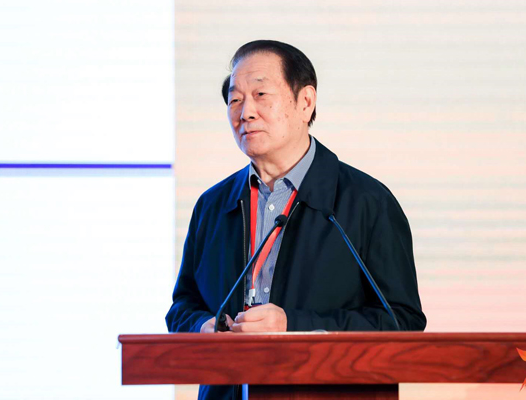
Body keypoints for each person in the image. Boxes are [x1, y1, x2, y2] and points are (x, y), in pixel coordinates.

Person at [166, 40, 426, 400]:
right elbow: (182, 307)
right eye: (235, 99)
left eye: (261, 94)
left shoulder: (366, 202)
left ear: (305, 102)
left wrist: (294, 326)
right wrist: (202, 326)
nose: (246, 112)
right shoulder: (213, 205)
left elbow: (402, 321)